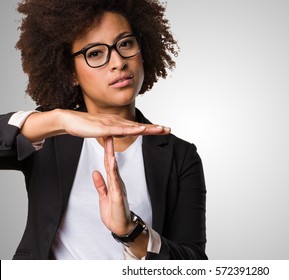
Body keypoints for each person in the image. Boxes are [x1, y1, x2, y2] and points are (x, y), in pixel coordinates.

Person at [0, 0, 207, 260]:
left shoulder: (180, 156)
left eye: (125, 44)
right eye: (95, 53)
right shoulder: (48, 135)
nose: (118, 62)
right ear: (70, 71)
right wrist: (59, 120)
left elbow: (194, 263)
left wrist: (131, 232)